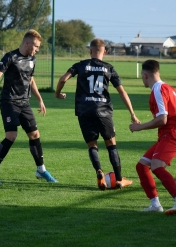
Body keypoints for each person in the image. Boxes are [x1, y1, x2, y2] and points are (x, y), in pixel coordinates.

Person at [55, 38, 139, 190]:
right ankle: (119, 180)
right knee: (111, 144)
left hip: (84, 110)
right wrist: (132, 113)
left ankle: (99, 171)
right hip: (103, 110)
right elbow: (122, 91)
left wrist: (57, 94)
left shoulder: (80, 65)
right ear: (104, 51)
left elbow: (62, 79)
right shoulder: (109, 68)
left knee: (92, 145)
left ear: (90, 51)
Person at [0, 29, 58, 184]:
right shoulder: (10, 57)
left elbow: (31, 80)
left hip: (24, 102)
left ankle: (41, 170)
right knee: (11, 136)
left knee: (34, 134)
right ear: (27, 43)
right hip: (9, 101)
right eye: (35, 46)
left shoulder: (32, 59)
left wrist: (40, 100)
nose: (37, 50)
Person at [129, 59, 176, 215]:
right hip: (169, 135)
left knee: (157, 166)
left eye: (141, 76)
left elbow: (162, 119)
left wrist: (140, 127)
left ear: (145, 75)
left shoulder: (158, 90)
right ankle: (155, 205)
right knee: (142, 166)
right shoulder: (168, 88)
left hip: (172, 136)